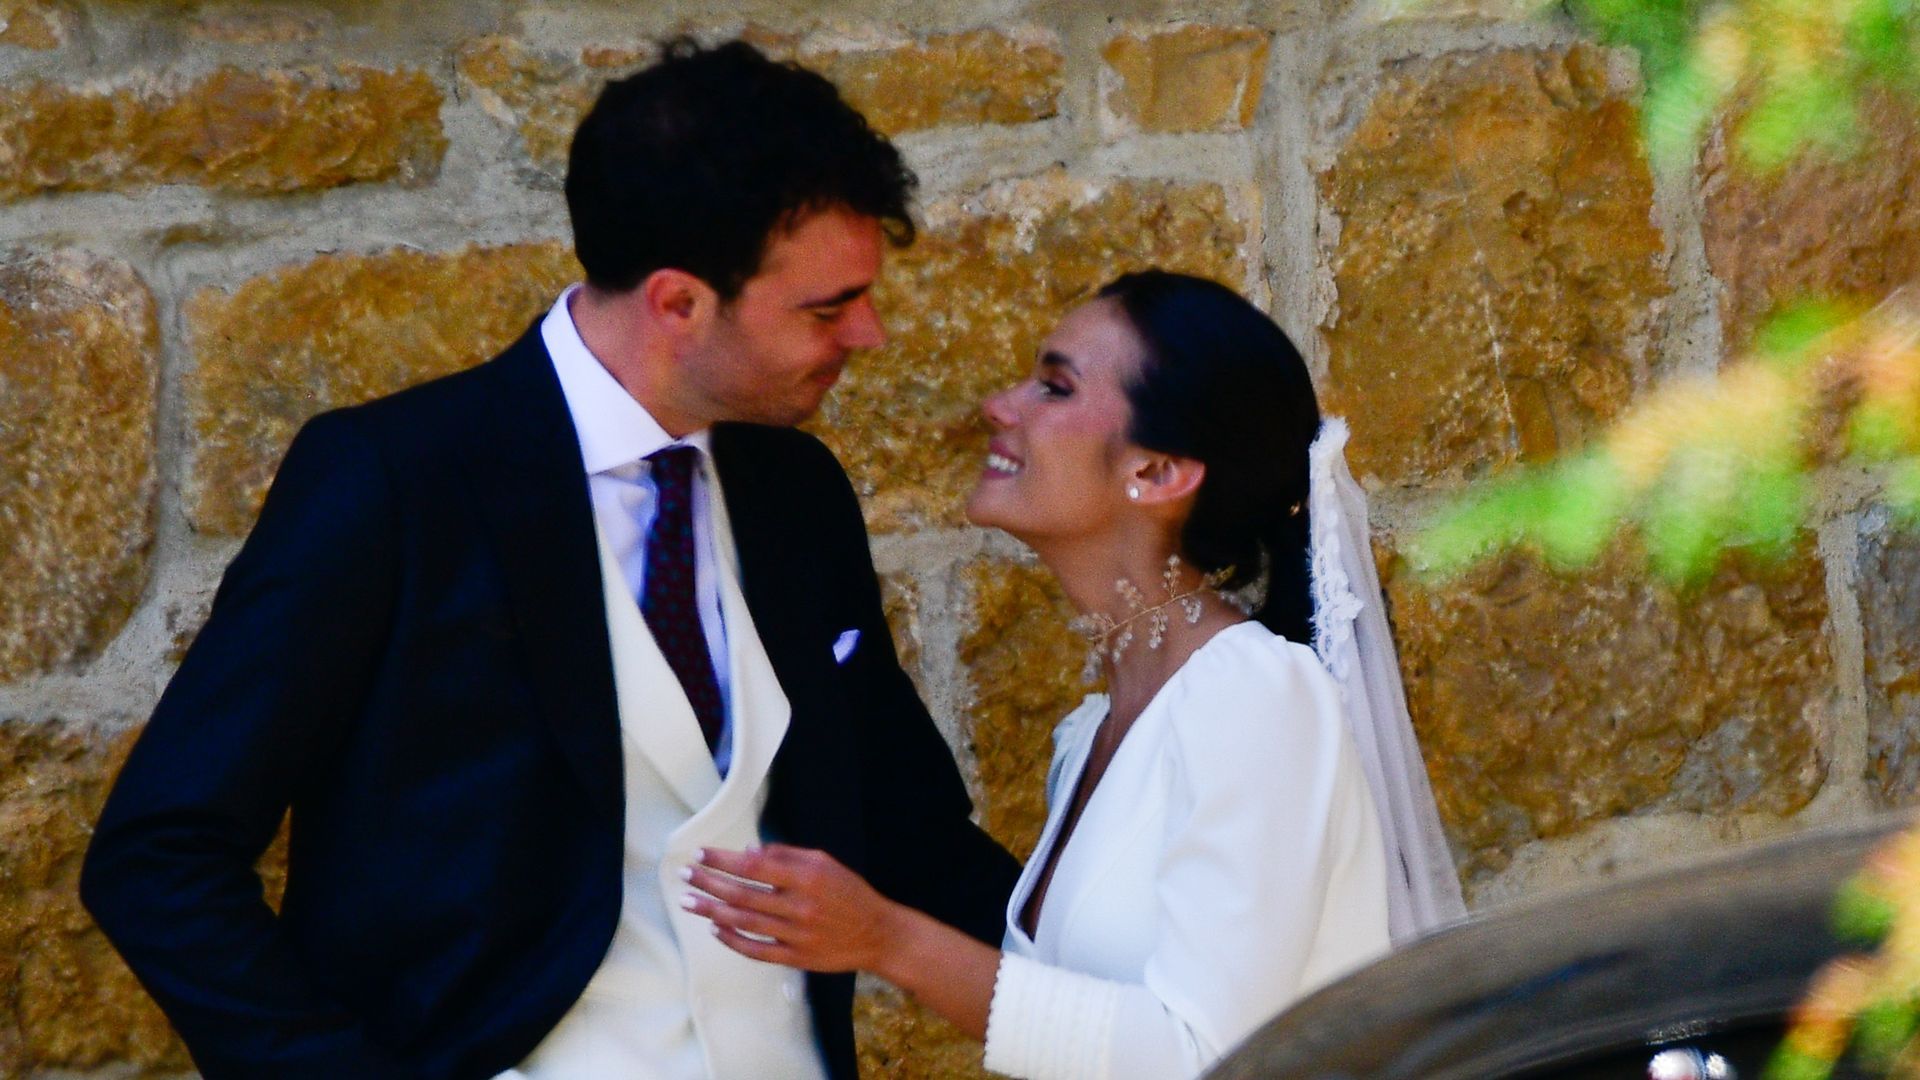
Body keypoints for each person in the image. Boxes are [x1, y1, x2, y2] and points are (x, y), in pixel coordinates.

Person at [79, 39, 1019, 1080]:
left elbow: (907, 824)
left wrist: (1136, 999)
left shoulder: (798, 493)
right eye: (827, 308)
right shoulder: (397, 481)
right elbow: (159, 856)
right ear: (678, 302)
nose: (872, 334)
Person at [683, 271, 1466, 1079]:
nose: (1001, 405)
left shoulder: (1254, 698)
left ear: (1158, 474)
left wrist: (886, 938)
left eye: (1053, 387)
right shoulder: (1093, 732)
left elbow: (1206, 1056)